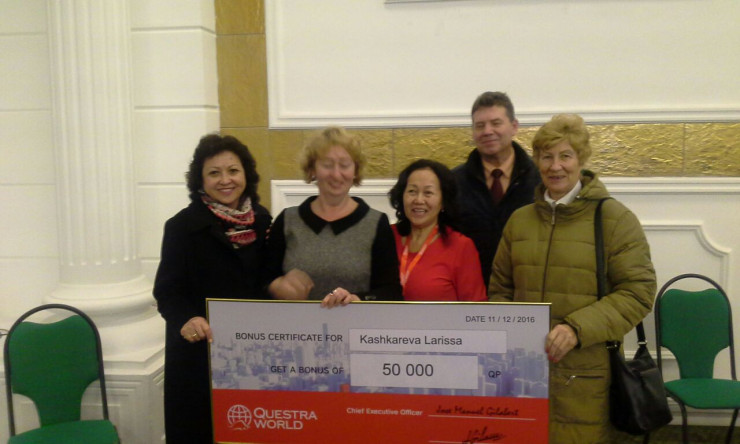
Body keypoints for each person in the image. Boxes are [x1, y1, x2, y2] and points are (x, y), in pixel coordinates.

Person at [489, 114, 656, 443]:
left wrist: (576, 329)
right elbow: (500, 289)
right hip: (522, 373)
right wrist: (510, 330)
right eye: (546, 157)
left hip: (585, 377)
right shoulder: (519, 221)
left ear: (581, 159)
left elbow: (638, 292)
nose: (555, 166)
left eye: (565, 155)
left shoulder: (615, 219)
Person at [153, 134, 272, 443]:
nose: (225, 180)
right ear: (200, 180)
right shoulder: (181, 226)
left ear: (246, 174)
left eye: (233, 170)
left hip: (252, 353)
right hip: (199, 355)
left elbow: (268, 281)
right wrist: (187, 319)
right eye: (214, 173)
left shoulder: (262, 221)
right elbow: (167, 291)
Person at [265, 126, 402, 305]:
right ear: (312, 170)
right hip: (295, 323)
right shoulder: (287, 220)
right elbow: (263, 281)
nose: (336, 174)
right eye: (327, 165)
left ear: (355, 171)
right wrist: (277, 287)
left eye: (344, 165)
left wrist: (357, 299)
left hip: (355, 322)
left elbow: (391, 292)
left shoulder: (376, 223)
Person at [453, 91, 541, 287]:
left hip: (526, 289)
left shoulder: (540, 180)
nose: (487, 131)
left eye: (496, 123)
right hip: (470, 290)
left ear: (514, 126)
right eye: (480, 125)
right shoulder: (453, 182)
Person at [388, 159, 486, 301]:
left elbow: (475, 307)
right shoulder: (386, 236)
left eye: (428, 193)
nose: (419, 200)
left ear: (443, 201)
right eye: (412, 191)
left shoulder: (461, 247)